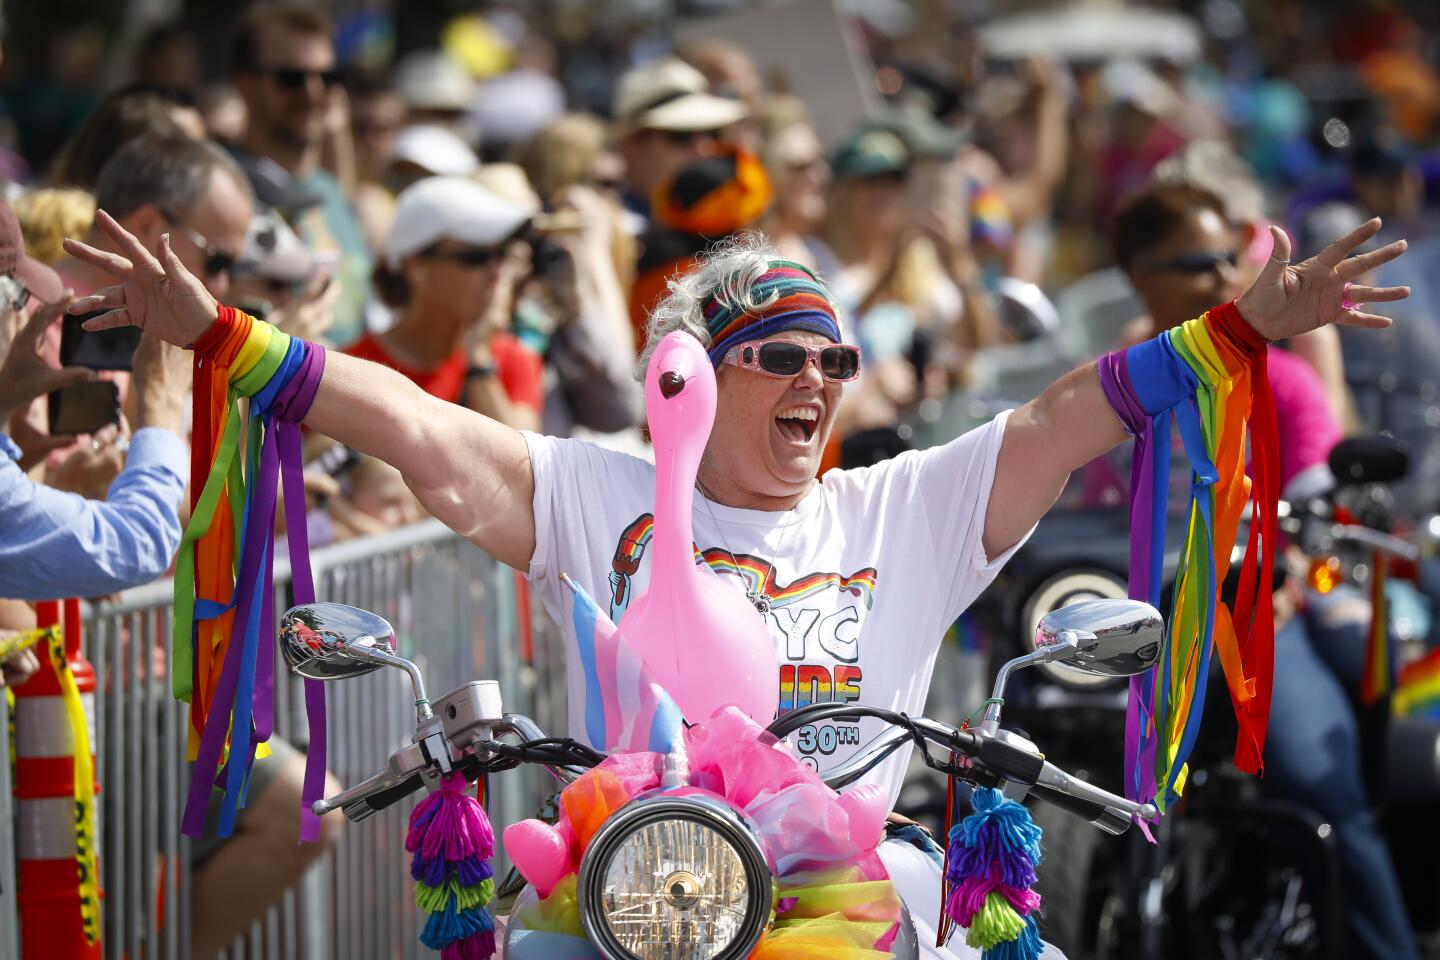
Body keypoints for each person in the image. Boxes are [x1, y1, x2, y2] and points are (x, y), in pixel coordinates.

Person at [64, 204, 1406, 957]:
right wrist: (223, 336)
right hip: (646, 881)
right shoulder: (598, 489)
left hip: (867, 881)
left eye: (836, 359)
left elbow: (1067, 415)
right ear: (697, 380)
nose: (819, 381)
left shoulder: (906, 502)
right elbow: (412, 426)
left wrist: (1233, 332)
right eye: (781, 355)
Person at [1109, 182, 1420, 960]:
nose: (1222, 278)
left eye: (1227, 259)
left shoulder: (1282, 381)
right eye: (1196, 261)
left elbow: (1322, 514)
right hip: (1119, 626)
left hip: (1254, 613)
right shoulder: (1103, 390)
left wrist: (1285, 577)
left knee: (1320, 781)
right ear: (1139, 276)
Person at [228, 1, 371, 346]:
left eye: (328, 77)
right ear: (246, 84)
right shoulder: (221, 187)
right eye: (291, 79)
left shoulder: (330, 190)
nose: (313, 92)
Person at [353, 176, 543, 431]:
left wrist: (478, 361)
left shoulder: (512, 359)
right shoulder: (351, 369)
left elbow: (525, 467)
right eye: (476, 257)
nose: (499, 272)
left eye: (502, 255)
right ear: (416, 267)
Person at [610, 57, 748, 222]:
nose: (703, 148)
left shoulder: (723, 224)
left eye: (710, 132)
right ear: (632, 146)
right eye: (682, 135)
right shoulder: (611, 228)